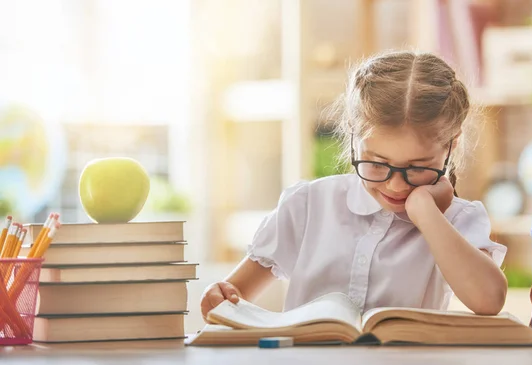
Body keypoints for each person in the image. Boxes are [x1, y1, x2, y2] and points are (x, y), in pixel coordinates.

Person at [200, 50, 508, 322]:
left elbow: (488, 300)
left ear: (451, 147)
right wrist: (219, 298)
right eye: (376, 163)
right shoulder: (307, 205)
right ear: (351, 136)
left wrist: (425, 212)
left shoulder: (458, 219)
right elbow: (231, 299)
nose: (396, 185)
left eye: (416, 168)